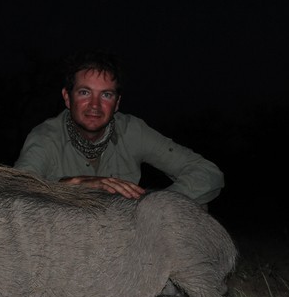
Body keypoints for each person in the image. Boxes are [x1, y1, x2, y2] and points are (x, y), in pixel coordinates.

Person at [14, 49, 224, 206]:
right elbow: (16, 189)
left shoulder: (133, 131)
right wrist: (73, 184)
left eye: (106, 95)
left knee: (189, 205)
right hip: (67, 238)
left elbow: (207, 173)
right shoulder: (44, 136)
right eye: (84, 92)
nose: (95, 105)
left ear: (117, 103)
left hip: (126, 233)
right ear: (67, 98)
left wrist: (156, 204)